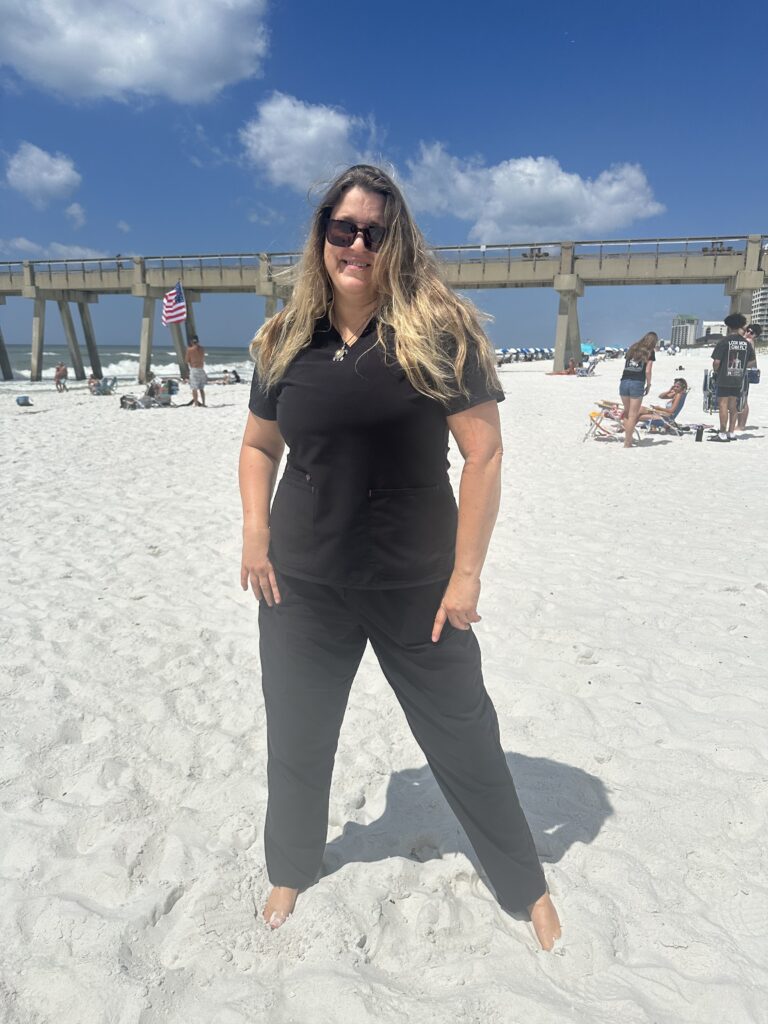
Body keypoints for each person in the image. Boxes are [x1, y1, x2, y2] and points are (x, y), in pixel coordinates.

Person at [238, 164, 561, 951]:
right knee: (300, 734)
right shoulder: (285, 338)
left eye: (372, 232)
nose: (355, 244)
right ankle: (293, 864)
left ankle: (525, 883)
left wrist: (466, 576)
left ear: (395, 242)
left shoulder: (436, 330)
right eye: (341, 229)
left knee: (463, 734)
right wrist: (253, 530)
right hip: (302, 585)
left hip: (419, 585)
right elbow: (257, 444)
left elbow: (483, 456)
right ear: (321, 237)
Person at [710, 314, 756, 442]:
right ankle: (731, 432)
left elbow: (716, 362)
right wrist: (741, 369)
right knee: (733, 405)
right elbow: (752, 362)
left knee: (723, 404)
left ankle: (722, 433)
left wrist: (716, 371)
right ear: (741, 326)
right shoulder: (746, 343)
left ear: (729, 326)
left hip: (724, 376)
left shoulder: (724, 342)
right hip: (738, 377)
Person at [618, 332, 657, 447]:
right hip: (637, 383)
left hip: (624, 381)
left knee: (626, 412)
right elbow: (648, 371)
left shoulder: (633, 348)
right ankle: (627, 442)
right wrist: (648, 385)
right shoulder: (650, 352)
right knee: (633, 415)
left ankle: (628, 438)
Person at [735, 323, 761, 432]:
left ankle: (741, 425)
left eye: (752, 332)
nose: (749, 333)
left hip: (745, 373)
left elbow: (751, 361)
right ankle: (740, 424)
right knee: (741, 398)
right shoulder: (747, 341)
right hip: (743, 372)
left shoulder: (749, 342)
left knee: (743, 399)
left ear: (756, 335)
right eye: (748, 331)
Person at [186, 335, 207, 406]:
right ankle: (203, 403)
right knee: (201, 388)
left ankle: (196, 404)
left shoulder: (190, 349)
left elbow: (186, 360)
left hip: (194, 370)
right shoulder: (202, 349)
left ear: (191, 341)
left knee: (194, 388)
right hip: (201, 370)